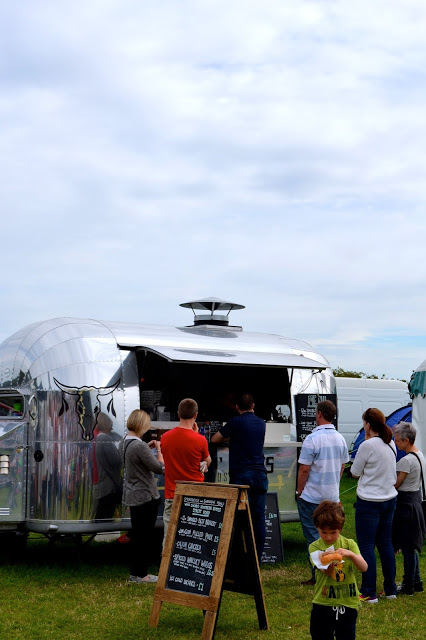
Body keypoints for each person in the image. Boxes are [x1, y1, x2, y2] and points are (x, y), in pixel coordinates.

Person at [296, 400, 349, 585]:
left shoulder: (312, 439)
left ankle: (319, 573)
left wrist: (299, 490)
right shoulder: (340, 438)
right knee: (330, 534)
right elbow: (342, 466)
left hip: (312, 496)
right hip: (332, 495)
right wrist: (335, 485)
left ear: (319, 414)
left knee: (313, 535)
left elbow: (304, 469)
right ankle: (332, 568)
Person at [211, 392, 268, 560]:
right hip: (260, 474)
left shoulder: (235, 422)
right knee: (259, 518)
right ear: (253, 406)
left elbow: (215, 439)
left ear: (237, 407)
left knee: (238, 517)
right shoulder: (261, 423)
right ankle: (257, 558)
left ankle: (238, 557)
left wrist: (230, 437)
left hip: (241, 475)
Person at [351, 408, 397, 603]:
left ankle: (369, 592)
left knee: (367, 546)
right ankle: (390, 589)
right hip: (389, 498)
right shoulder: (390, 443)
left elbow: (354, 472)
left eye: (364, 423)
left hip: (369, 501)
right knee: (385, 544)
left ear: (368, 424)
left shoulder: (367, 445)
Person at [309, 500, 367, 640]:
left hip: (348, 603)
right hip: (323, 603)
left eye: (333, 532)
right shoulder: (315, 547)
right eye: (323, 532)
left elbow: (364, 567)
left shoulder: (349, 544)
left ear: (340, 529)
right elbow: (327, 573)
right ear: (317, 528)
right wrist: (330, 563)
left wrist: (351, 555)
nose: (328, 537)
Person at [160, 398, 211, 545]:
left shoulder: (165, 438)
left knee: (169, 537)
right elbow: (207, 461)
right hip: (195, 493)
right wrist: (196, 434)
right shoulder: (200, 440)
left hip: (172, 493)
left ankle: (166, 560)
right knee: (193, 537)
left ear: (178, 414)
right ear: (195, 415)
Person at [122, 409, 164, 584]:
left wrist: (147, 448)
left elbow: (136, 457)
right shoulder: (139, 446)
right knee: (143, 538)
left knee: (137, 536)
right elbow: (159, 468)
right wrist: (159, 450)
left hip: (133, 494)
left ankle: (135, 573)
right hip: (145, 495)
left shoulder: (125, 442)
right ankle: (142, 574)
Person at [392, 421, 426, 595]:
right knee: (412, 546)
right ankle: (417, 581)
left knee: (407, 548)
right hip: (416, 501)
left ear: (406, 440)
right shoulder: (419, 455)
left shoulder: (406, 461)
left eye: (397, 440)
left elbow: (396, 485)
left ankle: (408, 585)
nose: (395, 443)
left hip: (406, 505)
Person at [94, 412, 122, 519]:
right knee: (106, 516)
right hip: (109, 487)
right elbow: (115, 460)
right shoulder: (106, 438)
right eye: (110, 425)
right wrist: (120, 450)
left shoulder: (98, 438)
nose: (112, 428)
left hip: (103, 486)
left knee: (102, 516)